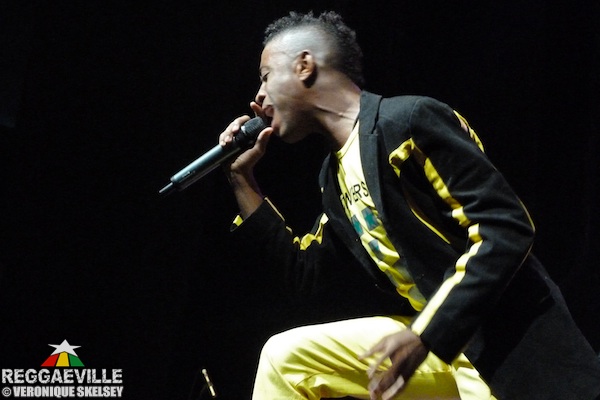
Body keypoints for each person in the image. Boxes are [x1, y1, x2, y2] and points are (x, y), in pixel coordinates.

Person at [218, 10, 600, 400]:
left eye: (266, 76)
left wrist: (426, 333)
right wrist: (241, 179)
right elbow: (303, 272)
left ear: (304, 65)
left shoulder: (408, 123)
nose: (259, 95)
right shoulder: (333, 178)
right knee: (286, 358)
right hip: (434, 340)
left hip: (499, 342)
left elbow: (505, 229)